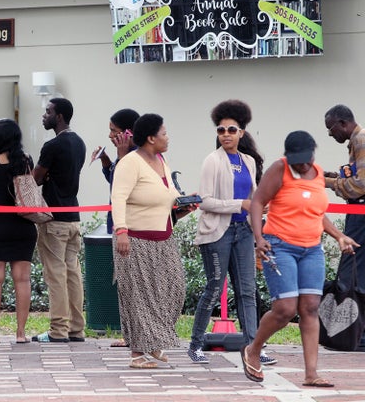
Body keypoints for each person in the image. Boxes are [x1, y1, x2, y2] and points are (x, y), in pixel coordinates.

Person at [243, 131, 358, 387]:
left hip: (312, 249)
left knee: (310, 308)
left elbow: (317, 212)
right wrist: (258, 238)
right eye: (297, 160)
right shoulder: (279, 170)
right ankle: (253, 349)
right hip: (280, 247)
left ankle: (311, 373)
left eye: (306, 159)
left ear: (313, 154)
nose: (302, 165)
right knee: (285, 309)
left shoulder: (317, 173)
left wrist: (339, 235)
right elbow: (257, 201)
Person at [188, 100, 275, 365]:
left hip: (243, 232)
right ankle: (195, 345)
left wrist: (258, 210)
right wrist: (240, 205)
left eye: (231, 130)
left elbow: (252, 198)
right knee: (214, 288)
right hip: (217, 233)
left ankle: (254, 347)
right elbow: (205, 201)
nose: (225, 134)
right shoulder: (211, 161)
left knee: (247, 291)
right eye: (221, 130)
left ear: (241, 133)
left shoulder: (248, 161)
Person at [110, 113, 197, 368]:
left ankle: (154, 340)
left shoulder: (161, 159)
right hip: (135, 240)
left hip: (164, 237)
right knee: (138, 296)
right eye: (164, 133)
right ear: (150, 138)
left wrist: (181, 205)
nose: (167, 138)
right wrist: (122, 231)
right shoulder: (130, 163)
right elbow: (119, 198)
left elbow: (166, 195)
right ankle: (138, 352)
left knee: (174, 290)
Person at [31, 98, 87, 343]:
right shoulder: (80, 143)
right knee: (73, 274)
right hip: (73, 217)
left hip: (53, 220)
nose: (44, 116)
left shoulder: (52, 145)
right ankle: (76, 328)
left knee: (55, 275)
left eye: (48, 112)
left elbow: (37, 178)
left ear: (60, 116)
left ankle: (58, 330)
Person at [0, 119, 37, 344]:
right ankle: (21, 334)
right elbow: (29, 186)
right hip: (23, 226)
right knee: (22, 280)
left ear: (0, 137)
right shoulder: (26, 160)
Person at [91, 108, 139, 348]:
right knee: (124, 281)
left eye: (114, 131)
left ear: (128, 133)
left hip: (130, 228)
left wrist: (120, 155)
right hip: (119, 227)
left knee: (133, 282)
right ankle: (129, 331)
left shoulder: (137, 156)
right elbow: (114, 181)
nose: (110, 135)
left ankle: (134, 333)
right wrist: (107, 159)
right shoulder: (125, 156)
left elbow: (123, 188)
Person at [323, 105, 365, 297]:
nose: (330, 135)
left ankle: (352, 320)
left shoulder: (361, 140)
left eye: (330, 129)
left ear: (343, 123)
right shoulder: (357, 140)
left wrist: (326, 182)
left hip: (361, 214)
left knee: (351, 269)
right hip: (358, 213)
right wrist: (333, 177)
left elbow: (361, 185)